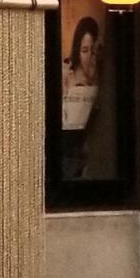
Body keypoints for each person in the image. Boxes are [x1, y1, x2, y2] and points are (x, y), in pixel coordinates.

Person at [62, 16, 101, 179]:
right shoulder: (68, 76)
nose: (90, 57)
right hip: (69, 147)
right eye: (85, 51)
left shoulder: (100, 75)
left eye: (93, 51)